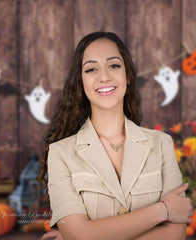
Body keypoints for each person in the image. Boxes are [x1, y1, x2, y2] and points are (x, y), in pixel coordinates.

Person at [38, 32, 194, 240]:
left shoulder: (161, 144)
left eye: (114, 65)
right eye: (91, 69)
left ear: (127, 76)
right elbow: (78, 235)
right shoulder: (60, 153)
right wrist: (163, 210)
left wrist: (88, 235)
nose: (104, 76)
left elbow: (175, 235)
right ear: (81, 82)